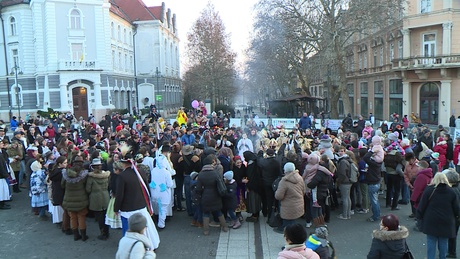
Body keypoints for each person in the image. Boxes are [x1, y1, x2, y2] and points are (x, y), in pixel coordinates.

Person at [114, 145, 160, 249]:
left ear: (123, 163)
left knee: (129, 230)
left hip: (128, 209)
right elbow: (146, 188)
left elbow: (119, 195)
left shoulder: (122, 176)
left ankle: (131, 247)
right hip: (141, 205)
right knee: (145, 228)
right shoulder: (140, 172)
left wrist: (116, 208)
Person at [417, 172, 460, 259]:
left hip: (431, 220)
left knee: (431, 241)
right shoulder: (451, 191)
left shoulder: (429, 190)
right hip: (446, 221)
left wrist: (419, 217)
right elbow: (456, 208)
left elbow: (422, 205)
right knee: (443, 242)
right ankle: (442, 257)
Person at [197, 154, 228, 235]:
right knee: (218, 212)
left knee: (206, 213)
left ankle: (206, 230)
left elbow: (198, 188)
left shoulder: (200, 174)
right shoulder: (215, 173)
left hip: (205, 195)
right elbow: (220, 183)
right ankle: (225, 226)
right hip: (215, 195)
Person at [62, 155, 89, 241]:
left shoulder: (66, 173)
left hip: (69, 199)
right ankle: (84, 236)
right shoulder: (84, 174)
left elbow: (62, 185)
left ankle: (76, 235)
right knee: (81, 217)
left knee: (72, 217)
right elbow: (87, 187)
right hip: (81, 199)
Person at [274, 162, 305, 234]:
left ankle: (289, 236)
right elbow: (303, 190)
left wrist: (276, 192)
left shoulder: (284, 181)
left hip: (288, 207)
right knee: (293, 221)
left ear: (285, 170)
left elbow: (278, 196)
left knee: (288, 225)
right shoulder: (299, 177)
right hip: (299, 204)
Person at [86, 158, 111, 240]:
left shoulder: (91, 177)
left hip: (95, 197)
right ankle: (107, 232)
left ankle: (103, 233)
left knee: (100, 217)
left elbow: (88, 189)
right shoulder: (106, 175)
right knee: (105, 215)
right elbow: (108, 185)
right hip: (105, 196)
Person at [49, 156, 72, 235]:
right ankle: (66, 227)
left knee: (66, 211)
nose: (66, 164)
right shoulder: (62, 173)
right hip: (62, 194)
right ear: (60, 164)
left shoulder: (54, 171)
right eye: (65, 163)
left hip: (57, 194)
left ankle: (65, 227)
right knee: (67, 211)